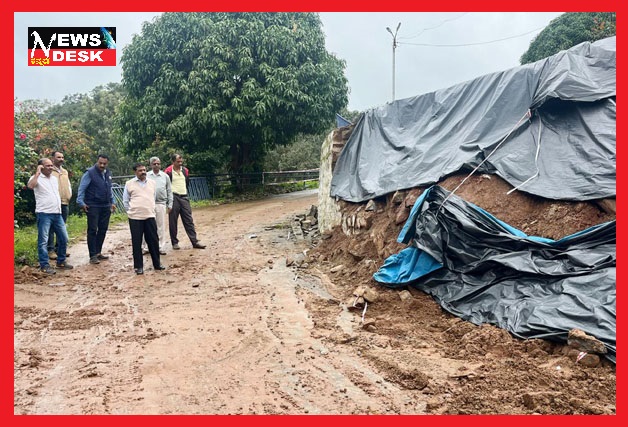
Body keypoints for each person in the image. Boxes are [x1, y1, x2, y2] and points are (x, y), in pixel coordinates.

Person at [27, 158, 73, 275]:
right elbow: (30, 186)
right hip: (44, 213)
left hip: (57, 213)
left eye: (51, 165)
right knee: (43, 241)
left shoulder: (53, 179)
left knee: (64, 238)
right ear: (41, 167)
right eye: (47, 166)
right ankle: (44, 265)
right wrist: (37, 172)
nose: (50, 168)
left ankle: (61, 261)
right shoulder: (35, 178)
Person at [123, 163, 166, 275]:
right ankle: (139, 267)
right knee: (137, 242)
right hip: (135, 217)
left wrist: (150, 209)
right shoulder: (129, 184)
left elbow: (153, 197)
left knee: (153, 241)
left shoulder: (152, 183)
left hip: (150, 216)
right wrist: (132, 211)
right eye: (140, 170)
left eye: (144, 170)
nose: (143, 172)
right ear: (135, 172)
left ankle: (157, 264)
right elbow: (125, 201)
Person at [76, 154, 116, 264]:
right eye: (100, 163)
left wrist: (113, 202)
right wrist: (81, 202)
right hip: (93, 205)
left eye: (104, 163)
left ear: (107, 163)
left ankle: (98, 252)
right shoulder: (89, 173)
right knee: (92, 230)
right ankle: (92, 255)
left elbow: (109, 189)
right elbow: (82, 188)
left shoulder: (107, 173)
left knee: (103, 229)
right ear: (97, 162)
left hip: (105, 205)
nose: (102, 165)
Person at [164, 154, 206, 250]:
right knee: (173, 221)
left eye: (181, 161)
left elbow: (187, 182)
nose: (180, 163)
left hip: (184, 196)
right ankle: (174, 242)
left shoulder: (185, 170)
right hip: (173, 197)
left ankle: (194, 241)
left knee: (188, 220)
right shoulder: (168, 171)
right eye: (178, 161)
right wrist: (168, 200)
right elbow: (165, 185)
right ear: (173, 162)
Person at [143, 156, 173, 255]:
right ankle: (146, 247)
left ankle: (160, 247)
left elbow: (169, 190)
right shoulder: (146, 176)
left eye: (158, 164)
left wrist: (170, 204)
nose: (156, 165)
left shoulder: (165, 176)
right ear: (150, 165)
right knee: (147, 226)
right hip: (148, 204)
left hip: (161, 203)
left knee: (160, 226)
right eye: (154, 164)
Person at [46, 151, 72, 261]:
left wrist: (69, 195)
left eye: (62, 157)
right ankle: (50, 250)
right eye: (58, 157)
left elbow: (68, 185)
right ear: (53, 158)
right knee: (51, 227)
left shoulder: (64, 171)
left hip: (64, 202)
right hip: (53, 203)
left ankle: (59, 249)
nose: (61, 159)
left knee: (62, 227)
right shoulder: (49, 171)